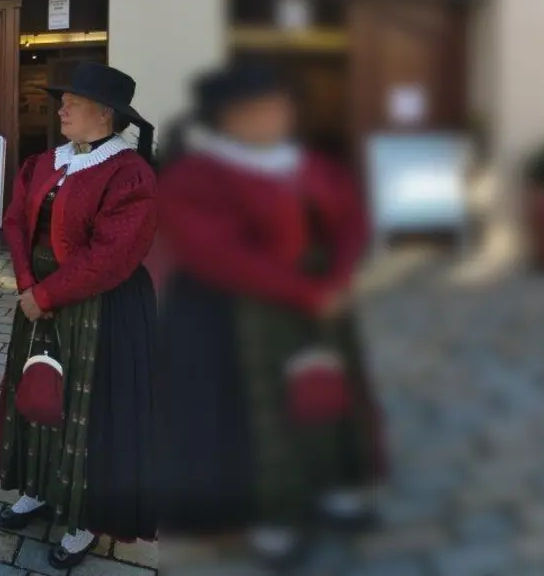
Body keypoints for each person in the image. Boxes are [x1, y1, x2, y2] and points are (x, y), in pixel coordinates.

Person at [157, 60, 384, 567]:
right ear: (226, 117)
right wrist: (307, 293)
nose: (274, 118)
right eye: (259, 110)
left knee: (330, 389)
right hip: (238, 311)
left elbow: (351, 218)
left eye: (279, 107)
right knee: (263, 412)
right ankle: (270, 515)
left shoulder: (310, 164)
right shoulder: (196, 175)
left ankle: (334, 486)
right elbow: (214, 252)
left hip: (322, 299)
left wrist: (338, 278)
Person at [0, 62, 160, 567]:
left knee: (86, 408)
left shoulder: (130, 174)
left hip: (99, 307)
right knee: (37, 391)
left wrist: (46, 295)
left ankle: (83, 518)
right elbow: (15, 221)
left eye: (73, 103)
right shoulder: (45, 162)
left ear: (105, 113)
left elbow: (112, 255)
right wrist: (27, 284)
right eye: (61, 102)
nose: (60, 110)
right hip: (37, 298)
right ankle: (37, 488)